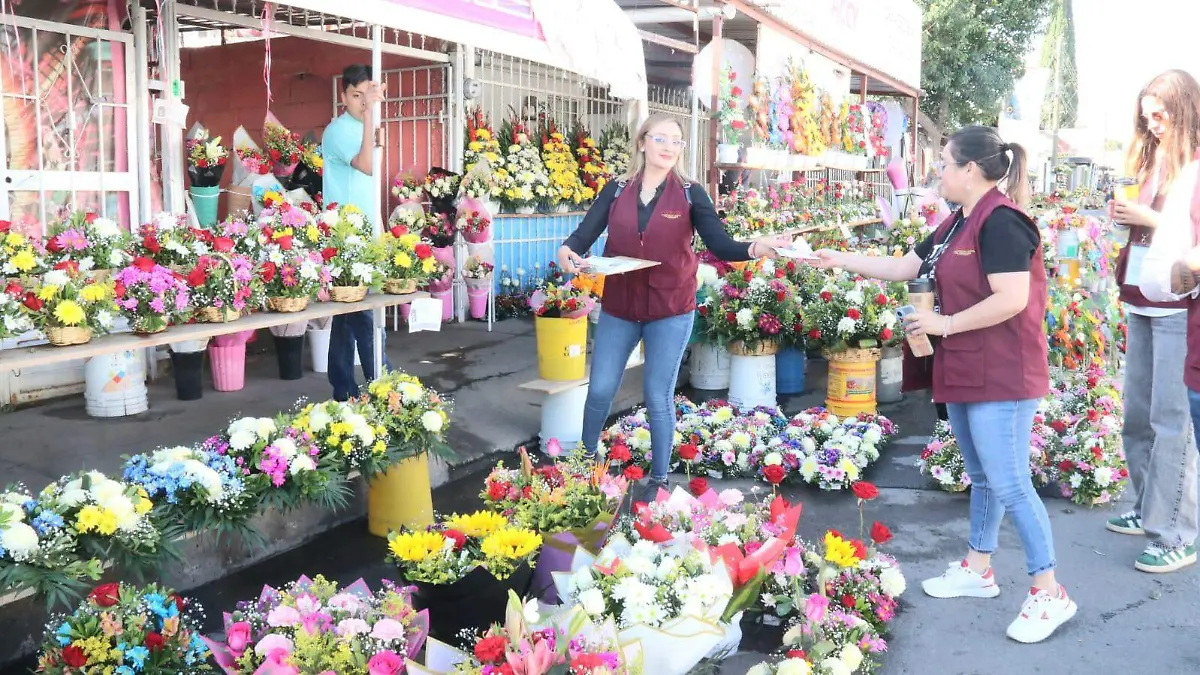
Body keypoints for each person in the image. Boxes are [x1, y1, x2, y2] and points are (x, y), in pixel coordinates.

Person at [810, 126, 1074, 644]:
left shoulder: (1001, 222)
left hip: (1003, 372)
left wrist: (945, 325)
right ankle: (978, 567)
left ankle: (1049, 590)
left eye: (944, 167)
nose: (939, 177)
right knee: (982, 475)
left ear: (970, 170)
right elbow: (905, 266)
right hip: (966, 368)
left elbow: (1012, 298)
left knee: (1011, 481)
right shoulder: (957, 222)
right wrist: (838, 259)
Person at [557, 113, 786, 501]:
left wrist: (754, 248)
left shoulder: (690, 192)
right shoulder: (615, 190)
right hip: (620, 307)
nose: (667, 146)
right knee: (600, 390)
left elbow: (719, 243)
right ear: (642, 142)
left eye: (676, 141)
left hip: (671, 308)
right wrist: (567, 252)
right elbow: (583, 236)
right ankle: (585, 461)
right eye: (660, 138)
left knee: (656, 394)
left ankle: (659, 480)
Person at [1105, 70, 1199, 574]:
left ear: (1184, 110)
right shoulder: (1150, 160)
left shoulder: (1197, 167)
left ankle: (1180, 531)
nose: (1153, 124)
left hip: (1178, 306)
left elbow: (1190, 236)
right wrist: (1125, 214)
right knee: (1136, 415)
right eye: (1146, 116)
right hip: (1141, 295)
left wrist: (1147, 218)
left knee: (1170, 420)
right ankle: (1148, 508)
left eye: (1160, 114)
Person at [322, 64, 386, 401]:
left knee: (349, 316)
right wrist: (371, 118)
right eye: (356, 95)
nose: (363, 102)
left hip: (365, 231)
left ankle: (344, 388)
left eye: (368, 94)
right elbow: (366, 165)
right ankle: (382, 384)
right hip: (346, 235)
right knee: (364, 312)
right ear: (343, 95)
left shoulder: (367, 126)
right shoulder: (340, 130)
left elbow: (370, 183)